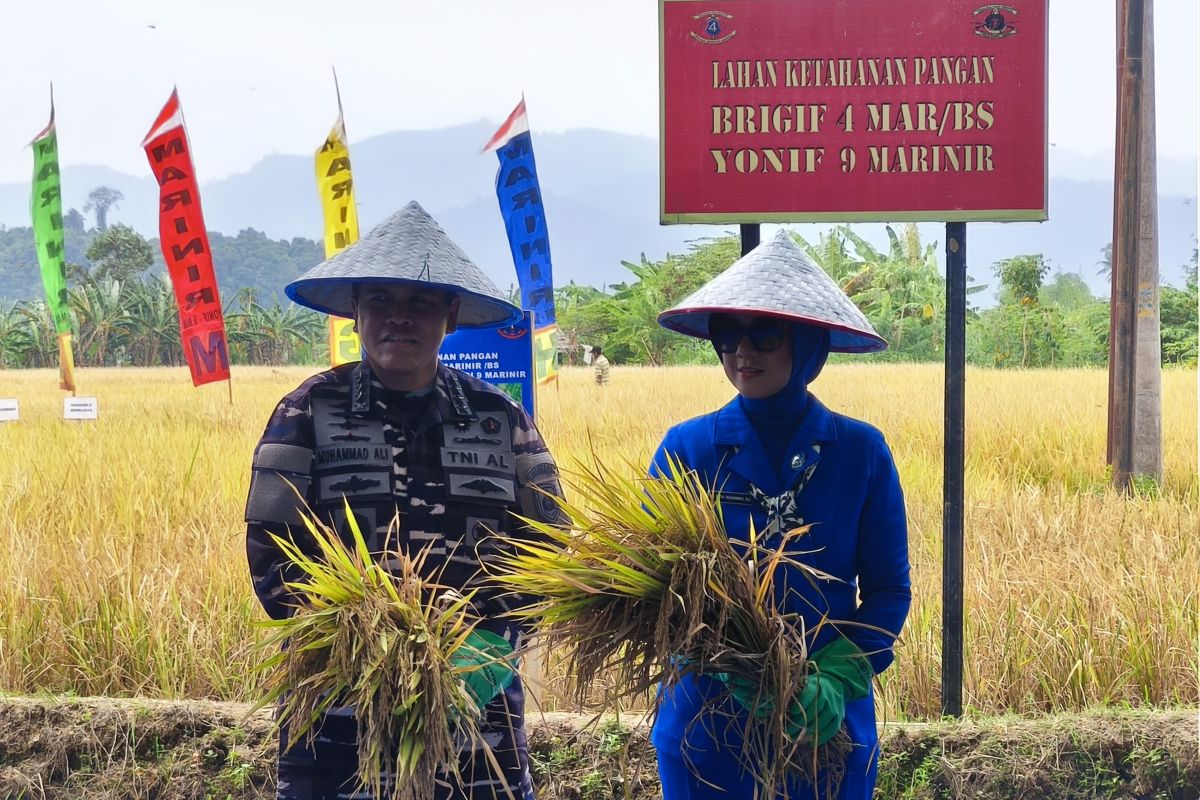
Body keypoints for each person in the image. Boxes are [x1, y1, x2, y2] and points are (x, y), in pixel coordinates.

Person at [245, 201, 565, 800]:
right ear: (357, 312)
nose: (399, 319)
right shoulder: (306, 413)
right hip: (339, 715)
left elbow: (551, 552)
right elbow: (271, 557)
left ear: (449, 314)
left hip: (477, 717)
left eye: (419, 303)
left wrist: (494, 645)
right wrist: (360, 639)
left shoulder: (502, 420)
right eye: (381, 302)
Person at [649, 230, 912, 800]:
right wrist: (723, 660)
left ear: (809, 344)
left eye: (765, 334)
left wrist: (837, 677)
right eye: (727, 335)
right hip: (705, 726)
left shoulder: (860, 452)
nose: (743, 353)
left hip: (825, 729)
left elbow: (889, 590)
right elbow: (651, 588)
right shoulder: (687, 450)